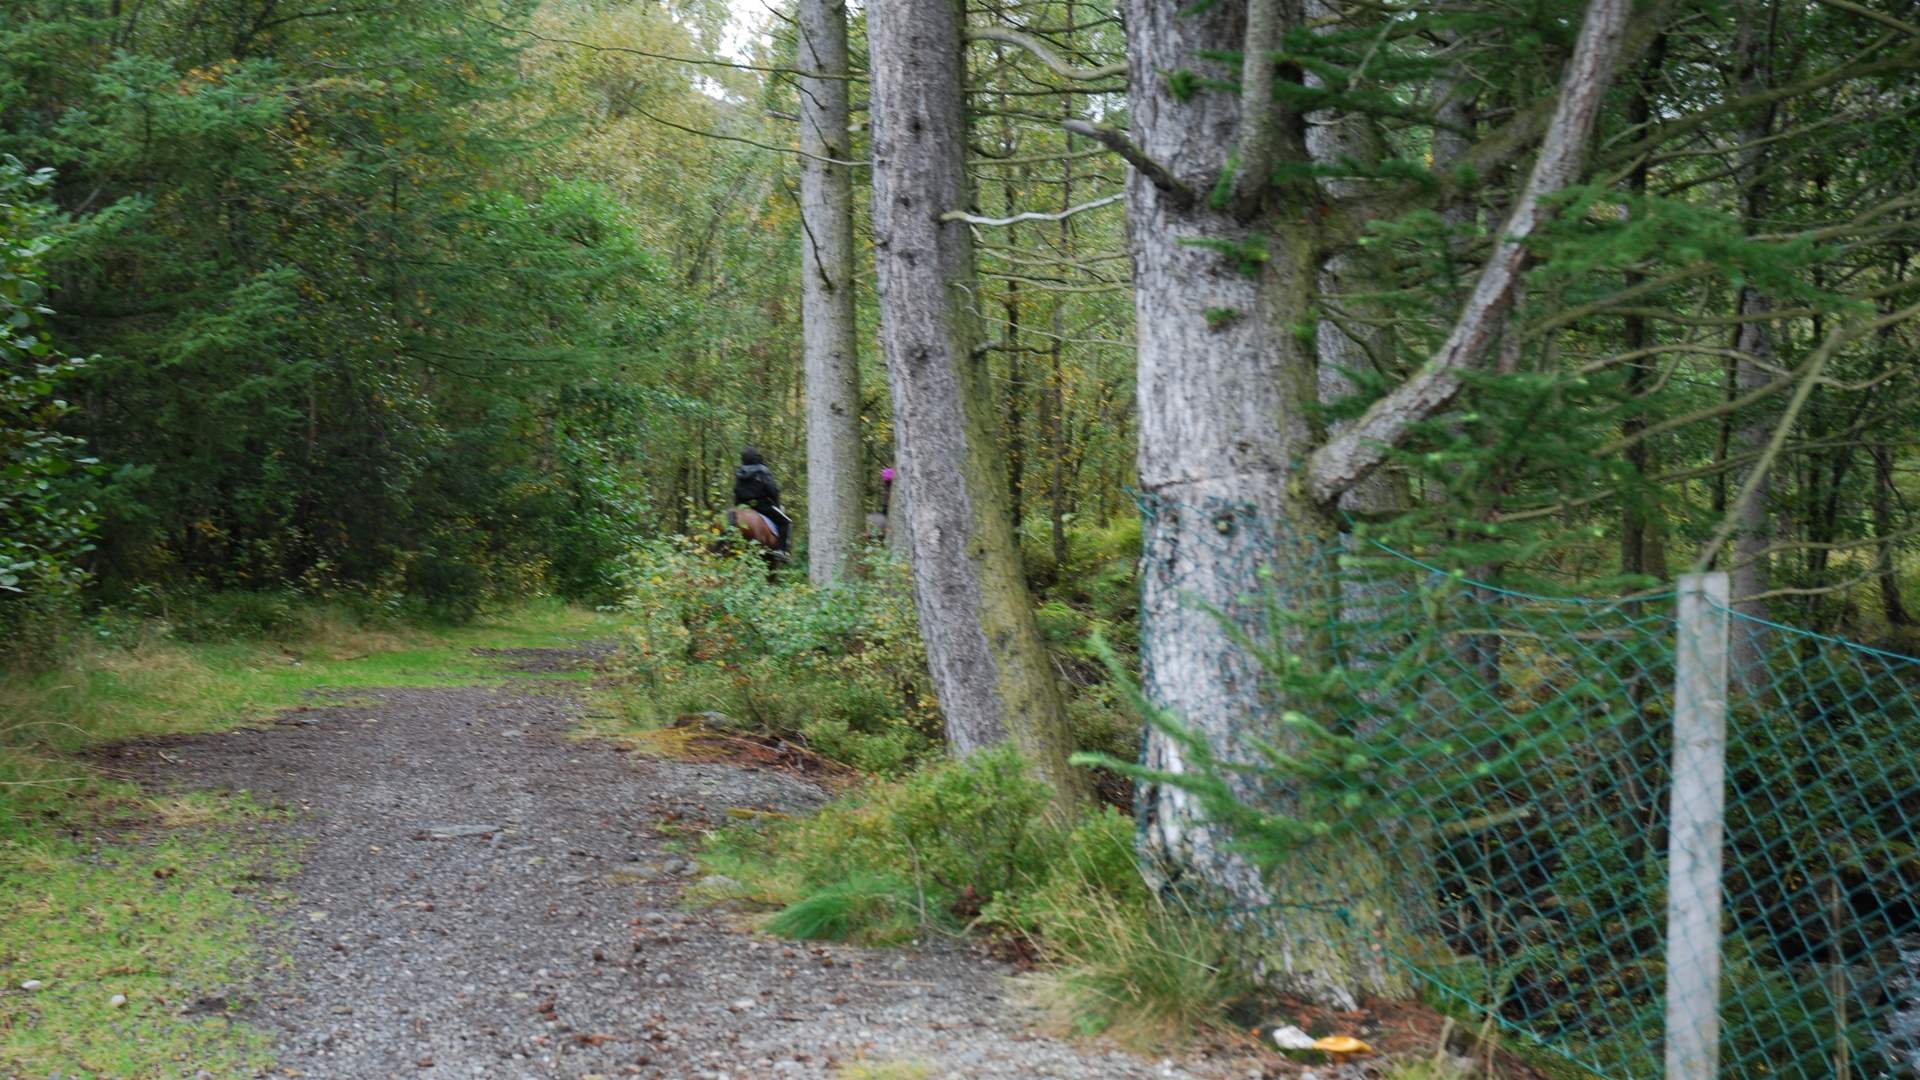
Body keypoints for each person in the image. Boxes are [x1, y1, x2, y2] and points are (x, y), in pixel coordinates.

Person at [733, 446, 792, 554]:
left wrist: (738, 507)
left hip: (743, 506)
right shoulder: (763, 470)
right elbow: (773, 491)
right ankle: (782, 551)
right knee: (786, 522)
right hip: (762, 506)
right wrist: (776, 505)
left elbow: (736, 491)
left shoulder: (740, 473)